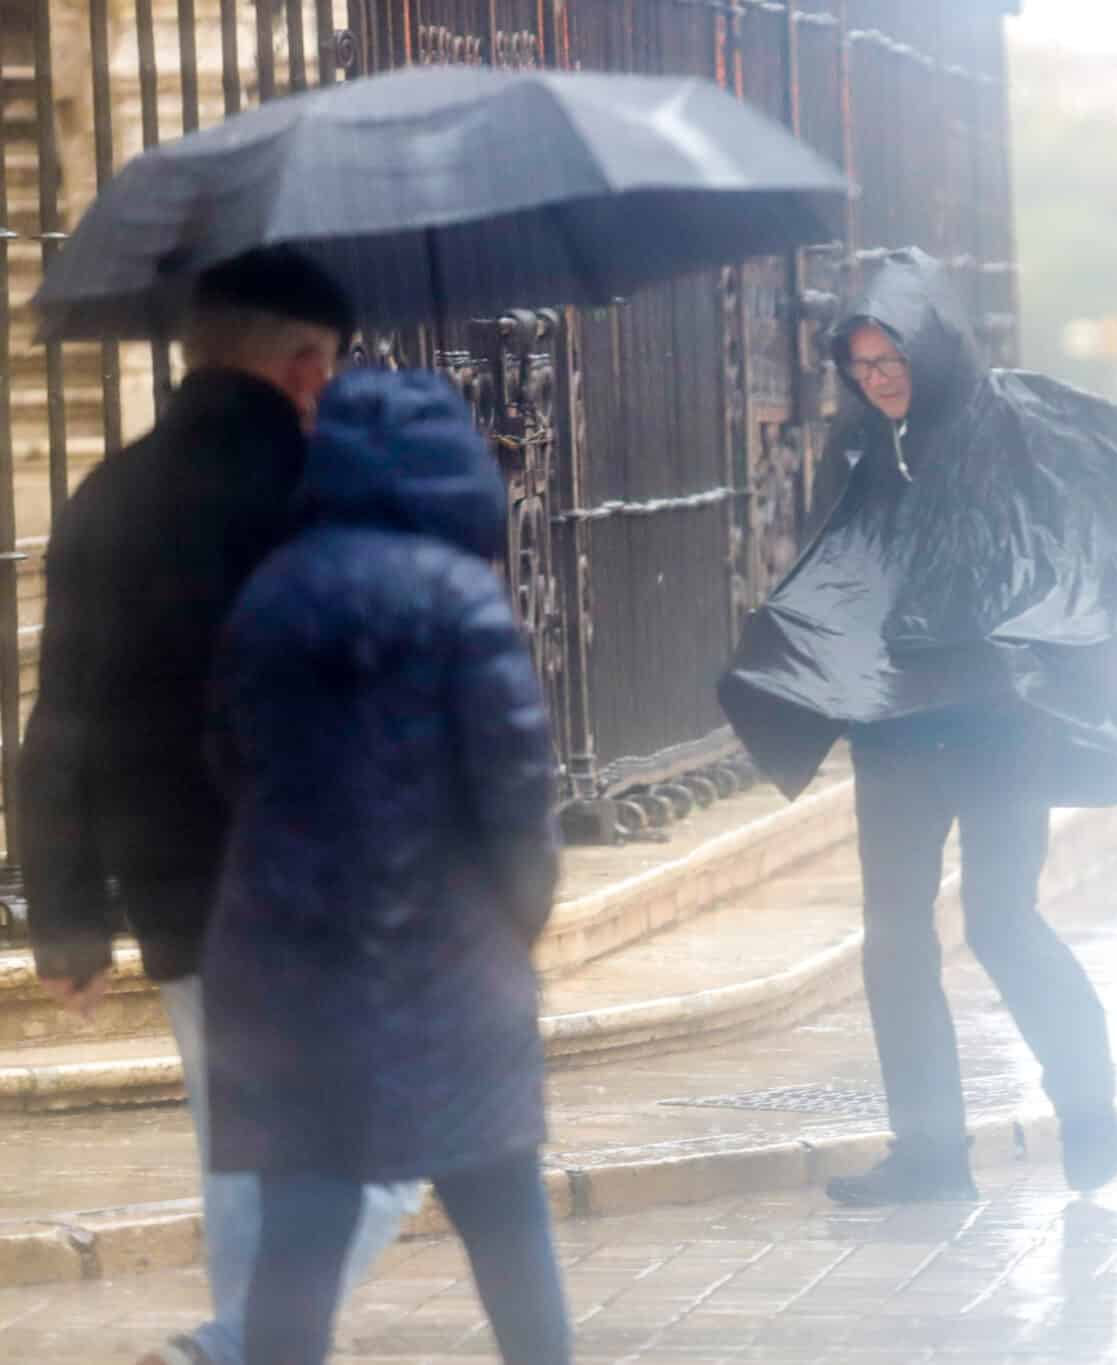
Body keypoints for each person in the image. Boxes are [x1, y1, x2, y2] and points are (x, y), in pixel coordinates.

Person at [719, 249, 1117, 1206]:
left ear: (935, 350)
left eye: (893, 362)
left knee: (1001, 920)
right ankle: (930, 1152)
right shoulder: (857, 451)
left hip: (1002, 720)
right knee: (893, 935)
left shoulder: (1017, 417)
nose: (878, 381)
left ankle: (1086, 1098)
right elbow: (837, 571)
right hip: (894, 727)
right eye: (862, 367)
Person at [18, 249, 421, 1365]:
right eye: (330, 365)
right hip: (314, 884)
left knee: (244, 1151)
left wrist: (65, 912)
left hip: (178, 890)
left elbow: (64, 717)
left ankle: (254, 1345)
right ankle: (245, 1343)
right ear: (302, 365)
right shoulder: (316, 492)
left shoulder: (108, 494)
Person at [203, 369, 569, 1363]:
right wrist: (513, 925)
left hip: (290, 968)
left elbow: (227, 763)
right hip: (450, 969)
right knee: (506, 1225)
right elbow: (517, 796)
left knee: (299, 1235)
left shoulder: (267, 595)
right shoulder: (462, 600)